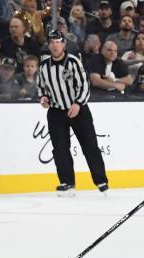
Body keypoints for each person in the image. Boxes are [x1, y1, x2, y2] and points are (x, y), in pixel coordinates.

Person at [37, 31, 109, 197]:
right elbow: (41, 87)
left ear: (63, 44)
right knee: (60, 149)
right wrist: (43, 98)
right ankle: (67, 182)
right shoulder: (44, 66)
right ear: (49, 45)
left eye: (58, 42)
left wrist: (78, 103)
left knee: (90, 146)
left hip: (78, 109)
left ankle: (100, 180)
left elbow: (84, 85)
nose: (55, 45)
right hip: (56, 112)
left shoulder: (74, 62)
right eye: (52, 42)